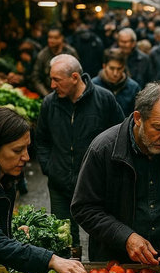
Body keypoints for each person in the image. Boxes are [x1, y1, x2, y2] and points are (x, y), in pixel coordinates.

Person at [71, 83, 160, 269]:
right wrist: (125, 237)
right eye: (158, 128)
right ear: (138, 118)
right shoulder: (103, 149)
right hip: (118, 265)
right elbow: (84, 208)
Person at [0, 107, 87, 273]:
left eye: (27, 148)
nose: (26, 157)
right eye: (17, 150)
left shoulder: (5, 178)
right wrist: (50, 259)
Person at [36, 54, 124, 249]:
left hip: (96, 185)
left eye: (56, 80)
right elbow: (41, 140)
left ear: (75, 77)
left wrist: (109, 172)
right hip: (60, 184)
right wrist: (49, 167)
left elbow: (121, 137)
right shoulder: (49, 104)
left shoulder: (104, 99)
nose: (51, 85)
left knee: (101, 236)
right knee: (63, 239)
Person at [31, 27, 79, 97]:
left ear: (62, 38)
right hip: (49, 92)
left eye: (55, 38)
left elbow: (78, 74)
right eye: (50, 38)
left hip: (68, 94)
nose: (52, 41)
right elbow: (35, 77)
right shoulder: (43, 55)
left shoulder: (71, 52)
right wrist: (46, 95)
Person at [92, 48, 140, 117]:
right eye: (112, 68)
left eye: (119, 69)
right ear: (104, 66)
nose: (115, 73)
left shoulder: (133, 87)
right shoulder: (94, 85)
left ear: (124, 67)